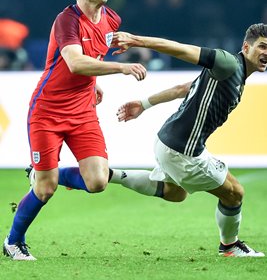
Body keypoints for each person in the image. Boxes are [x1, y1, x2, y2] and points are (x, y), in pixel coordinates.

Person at [3, 0, 146, 261]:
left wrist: (93, 83)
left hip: (83, 111)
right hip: (47, 111)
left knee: (97, 182)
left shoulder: (112, 19)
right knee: (45, 190)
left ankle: (44, 173)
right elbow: (75, 62)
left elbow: (93, 53)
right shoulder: (67, 20)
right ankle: (13, 241)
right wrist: (120, 67)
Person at [110, 23, 267, 257]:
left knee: (175, 192)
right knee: (235, 193)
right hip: (182, 150)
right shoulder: (228, 63)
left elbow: (184, 87)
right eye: (262, 46)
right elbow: (180, 49)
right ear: (246, 47)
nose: (266, 53)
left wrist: (143, 104)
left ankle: (108, 174)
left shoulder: (236, 76)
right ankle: (230, 246)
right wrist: (136, 40)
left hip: (168, 142)